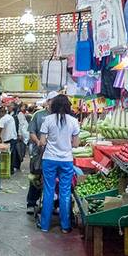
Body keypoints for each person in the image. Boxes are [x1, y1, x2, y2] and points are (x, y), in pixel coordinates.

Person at [38, 95, 80, 233]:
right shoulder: (74, 121)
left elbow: (42, 142)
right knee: (65, 192)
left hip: (49, 159)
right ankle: (65, 226)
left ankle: (44, 225)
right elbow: (76, 143)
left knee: (49, 191)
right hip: (66, 160)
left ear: (54, 105)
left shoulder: (47, 120)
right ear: (68, 106)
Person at [26, 91, 58, 214]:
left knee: (53, 181)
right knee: (36, 178)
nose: (53, 103)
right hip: (38, 153)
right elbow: (31, 132)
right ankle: (31, 202)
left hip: (53, 154)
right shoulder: (38, 115)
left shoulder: (60, 116)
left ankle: (52, 205)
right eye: (51, 101)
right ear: (47, 102)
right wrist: (39, 142)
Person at [0, 107, 18, 174]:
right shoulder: (10, 117)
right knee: (11, 155)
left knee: (8, 156)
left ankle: (9, 170)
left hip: (8, 139)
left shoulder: (3, 119)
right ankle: (11, 170)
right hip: (13, 138)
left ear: (1, 112)